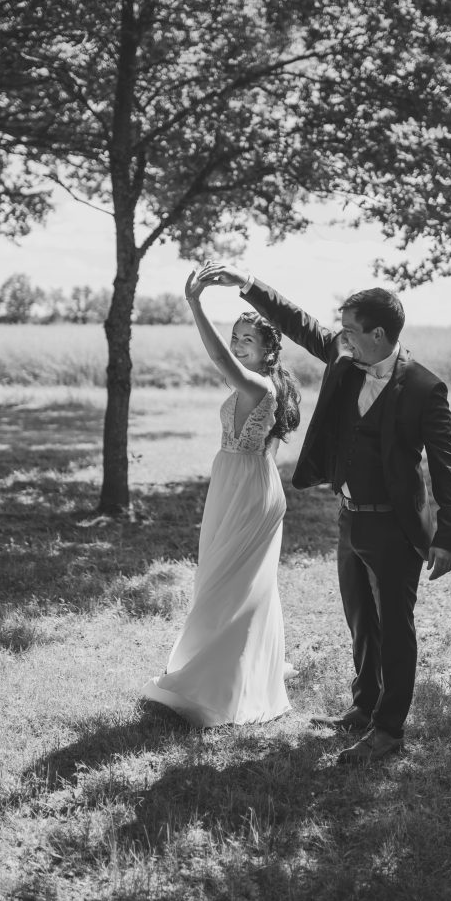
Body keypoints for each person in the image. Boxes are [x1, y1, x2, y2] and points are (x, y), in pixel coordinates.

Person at [195, 263, 451, 764]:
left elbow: (447, 467)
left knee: (395, 628)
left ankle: (389, 732)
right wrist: (249, 284)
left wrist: (448, 535)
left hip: (395, 527)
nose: (340, 335)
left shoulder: (426, 389)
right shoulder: (344, 355)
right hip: (349, 518)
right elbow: (299, 322)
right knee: (362, 622)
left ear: (378, 334)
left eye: (351, 329)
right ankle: (363, 709)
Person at [141, 264, 300, 728]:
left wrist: (194, 303)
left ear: (269, 349)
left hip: (248, 491)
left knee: (234, 585)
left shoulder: (259, 384)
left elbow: (218, 362)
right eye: (236, 335)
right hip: (234, 482)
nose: (237, 343)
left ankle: (220, 683)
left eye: (247, 338)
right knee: (217, 578)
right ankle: (227, 666)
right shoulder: (261, 382)